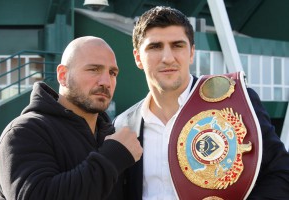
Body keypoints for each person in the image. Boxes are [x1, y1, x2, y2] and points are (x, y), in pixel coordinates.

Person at [114, 6, 289, 199]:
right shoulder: (123, 125)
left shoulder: (238, 101)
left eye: (177, 45)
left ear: (191, 53)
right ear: (138, 58)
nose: (167, 58)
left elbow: (281, 173)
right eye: (155, 47)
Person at [0, 36, 143, 200]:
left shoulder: (112, 135)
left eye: (112, 73)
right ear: (63, 75)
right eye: (94, 69)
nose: (106, 81)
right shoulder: (24, 131)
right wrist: (113, 156)